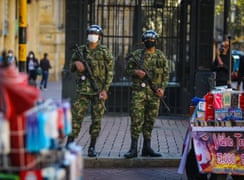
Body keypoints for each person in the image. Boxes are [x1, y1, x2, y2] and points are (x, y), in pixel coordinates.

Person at [66, 24, 114, 157]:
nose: (93, 36)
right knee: (76, 117)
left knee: (96, 119)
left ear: (100, 37)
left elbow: (110, 73)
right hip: (83, 90)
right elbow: (70, 67)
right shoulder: (80, 50)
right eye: (91, 33)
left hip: (98, 90)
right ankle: (69, 143)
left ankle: (92, 146)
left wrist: (105, 90)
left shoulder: (105, 52)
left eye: (96, 34)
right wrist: (76, 64)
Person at [124, 30, 169, 158]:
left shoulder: (160, 56)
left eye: (152, 40)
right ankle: (133, 149)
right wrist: (136, 72)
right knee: (136, 120)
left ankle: (147, 148)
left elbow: (166, 75)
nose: (150, 42)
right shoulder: (137, 55)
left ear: (156, 41)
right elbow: (127, 70)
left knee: (149, 121)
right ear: (144, 41)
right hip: (138, 93)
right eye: (148, 39)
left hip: (154, 94)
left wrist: (162, 88)